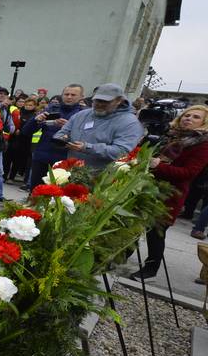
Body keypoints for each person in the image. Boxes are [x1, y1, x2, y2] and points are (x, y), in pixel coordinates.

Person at [129, 106, 208, 280]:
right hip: (147, 187)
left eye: (196, 117)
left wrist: (159, 166)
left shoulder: (202, 144)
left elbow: (189, 173)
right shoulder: (171, 135)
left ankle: (151, 269)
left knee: (156, 232)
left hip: (170, 194)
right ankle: (121, 257)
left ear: (204, 123)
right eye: (186, 115)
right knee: (132, 226)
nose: (189, 118)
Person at [54, 83, 144, 171]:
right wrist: (62, 139)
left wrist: (88, 148)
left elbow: (121, 151)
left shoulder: (129, 122)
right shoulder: (81, 115)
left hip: (102, 178)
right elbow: (63, 132)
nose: (100, 104)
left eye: (105, 102)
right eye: (97, 100)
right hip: (72, 171)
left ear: (119, 101)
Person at [20, 84, 84, 188]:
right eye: (66, 94)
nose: (69, 97)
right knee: (36, 192)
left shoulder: (83, 115)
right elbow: (26, 131)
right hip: (41, 157)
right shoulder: (51, 109)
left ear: (81, 97)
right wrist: (35, 120)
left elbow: (85, 138)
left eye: (73, 95)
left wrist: (69, 127)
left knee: (56, 197)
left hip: (65, 161)